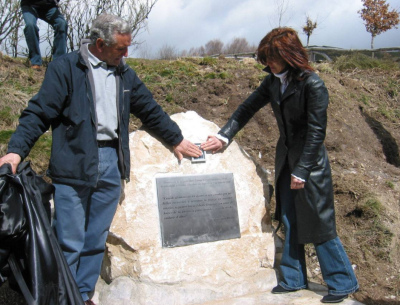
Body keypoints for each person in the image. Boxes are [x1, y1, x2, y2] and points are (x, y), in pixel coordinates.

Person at [0, 14, 201, 305]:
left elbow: (150, 109)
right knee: (69, 241)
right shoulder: (66, 68)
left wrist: (176, 139)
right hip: (74, 164)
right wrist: (15, 150)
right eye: (121, 48)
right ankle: (61, 298)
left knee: (95, 239)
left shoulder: (124, 73)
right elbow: (39, 112)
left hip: (111, 162)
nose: (126, 54)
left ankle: (83, 295)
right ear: (99, 44)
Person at [201, 28, 359, 304]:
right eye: (265, 59)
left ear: (289, 55)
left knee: (319, 222)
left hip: (310, 164)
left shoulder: (314, 85)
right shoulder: (273, 82)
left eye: (271, 59)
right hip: (285, 158)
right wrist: (223, 135)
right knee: (288, 218)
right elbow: (246, 109)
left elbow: (316, 132)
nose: (267, 65)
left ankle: (342, 282)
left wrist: (303, 169)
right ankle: (293, 279)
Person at [21, 0, 67, 70]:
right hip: (29, 5)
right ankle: (35, 61)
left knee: (62, 24)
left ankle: (59, 63)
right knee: (30, 26)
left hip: (49, 6)